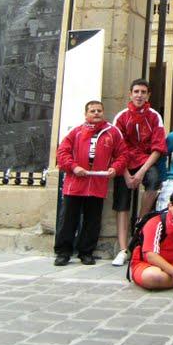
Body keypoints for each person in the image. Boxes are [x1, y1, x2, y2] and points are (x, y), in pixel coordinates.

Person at [54, 100, 127, 266]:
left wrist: (115, 168)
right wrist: (73, 167)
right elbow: (62, 153)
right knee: (68, 220)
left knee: (92, 220)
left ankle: (86, 252)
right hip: (75, 184)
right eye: (92, 111)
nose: (96, 113)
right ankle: (63, 252)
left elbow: (123, 155)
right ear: (86, 114)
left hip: (97, 184)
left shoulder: (112, 132)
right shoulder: (76, 132)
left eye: (99, 111)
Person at [111, 78, 167, 267]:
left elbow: (158, 148)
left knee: (154, 181)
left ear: (148, 95)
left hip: (145, 161)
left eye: (143, 92)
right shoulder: (121, 117)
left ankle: (140, 223)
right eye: (136, 91)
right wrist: (126, 173)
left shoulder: (154, 116)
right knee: (122, 203)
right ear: (130, 93)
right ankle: (122, 248)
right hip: (124, 163)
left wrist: (141, 172)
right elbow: (115, 148)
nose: (139, 95)